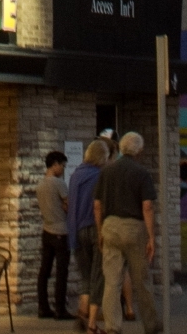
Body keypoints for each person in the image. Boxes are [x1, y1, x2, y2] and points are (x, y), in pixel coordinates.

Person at [94, 132, 159, 334]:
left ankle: (113, 326)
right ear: (139, 150)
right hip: (134, 227)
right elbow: (147, 206)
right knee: (141, 279)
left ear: (121, 148)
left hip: (110, 225)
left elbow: (97, 205)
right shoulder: (141, 173)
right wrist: (151, 237)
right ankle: (151, 325)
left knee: (112, 280)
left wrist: (100, 231)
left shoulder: (107, 171)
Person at [67, 141, 106, 334]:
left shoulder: (75, 175)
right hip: (93, 227)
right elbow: (99, 206)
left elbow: (71, 204)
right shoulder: (99, 176)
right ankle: (91, 323)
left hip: (77, 230)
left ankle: (82, 312)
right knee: (98, 276)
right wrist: (101, 233)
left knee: (85, 276)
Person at [36, 151, 71, 322]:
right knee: (62, 272)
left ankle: (43, 307)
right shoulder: (59, 183)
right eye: (62, 166)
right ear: (55, 164)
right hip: (61, 230)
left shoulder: (40, 184)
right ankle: (60, 309)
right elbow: (68, 205)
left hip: (46, 230)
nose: (63, 169)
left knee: (45, 271)